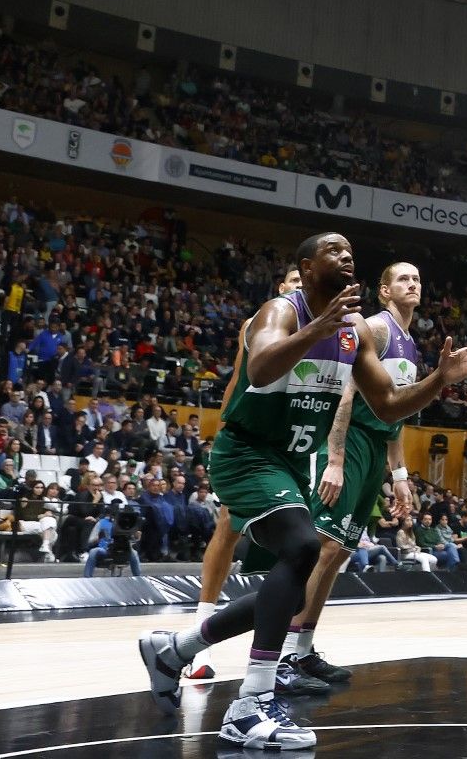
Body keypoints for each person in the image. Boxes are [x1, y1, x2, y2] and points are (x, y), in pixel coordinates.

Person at [137, 232, 467, 750]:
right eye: (333, 250)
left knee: (295, 577)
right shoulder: (283, 308)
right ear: (306, 264)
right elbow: (260, 366)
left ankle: (177, 649)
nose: (346, 255)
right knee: (303, 548)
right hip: (248, 452)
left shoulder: (353, 332)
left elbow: (387, 406)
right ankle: (250, 705)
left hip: (290, 461)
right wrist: (317, 327)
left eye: (350, 251)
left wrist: (439, 379)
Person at [277, 261, 425, 694]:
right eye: (403, 278)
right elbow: (346, 391)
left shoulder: (411, 344)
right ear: (383, 291)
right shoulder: (376, 329)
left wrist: (399, 475)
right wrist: (336, 459)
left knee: (339, 553)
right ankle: (282, 655)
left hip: (376, 447)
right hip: (350, 441)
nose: (412, 284)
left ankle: (303, 649)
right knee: (322, 549)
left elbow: (394, 411)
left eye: (416, 279)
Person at [185, 266, 301, 682]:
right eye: (294, 282)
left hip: (298, 447)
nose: (300, 288)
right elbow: (237, 377)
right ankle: (198, 635)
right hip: (256, 443)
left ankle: (287, 651)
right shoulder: (263, 322)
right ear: (282, 288)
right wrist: (223, 437)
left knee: (304, 550)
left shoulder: (331, 333)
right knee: (226, 528)